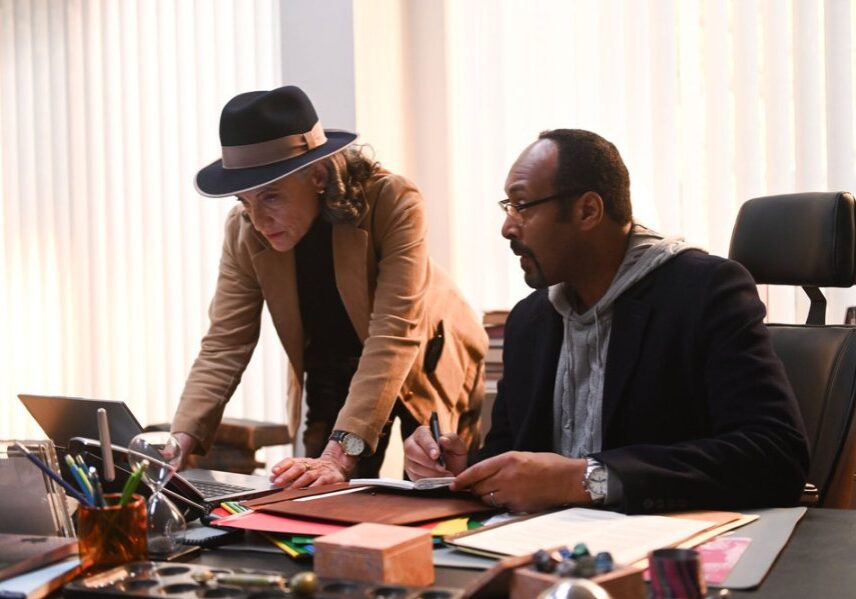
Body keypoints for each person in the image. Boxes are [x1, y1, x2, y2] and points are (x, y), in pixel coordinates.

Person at [404, 129, 809, 514]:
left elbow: (774, 455)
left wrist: (583, 479)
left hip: (670, 553)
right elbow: (515, 455)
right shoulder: (530, 320)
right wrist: (465, 471)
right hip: (547, 555)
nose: (508, 226)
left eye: (522, 205)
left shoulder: (702, 292)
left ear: (588, 210)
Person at [171, 85, 487, 486]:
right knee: (316, 492)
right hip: (331, 362)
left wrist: (340, 454)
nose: (259, 219)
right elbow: (224, 343)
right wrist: (177, 444)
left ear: (318, 175)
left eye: (271, 197)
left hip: (426, 356)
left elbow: (394, 333)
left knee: (435, 485)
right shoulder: (244, 229)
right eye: (244, 200)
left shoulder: (392, 199)